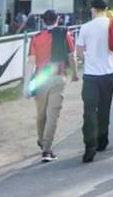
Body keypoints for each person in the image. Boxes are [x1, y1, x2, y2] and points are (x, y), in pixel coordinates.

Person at [27, 9, 79, 162]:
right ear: (58, 19)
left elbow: (31, 62)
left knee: (41, 113)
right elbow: (71, 55)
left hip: (40, 78)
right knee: (53, 114)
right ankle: (47, 149)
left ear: (42, 21)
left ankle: (41, 139)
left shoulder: (35, 37)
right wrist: (74, 74)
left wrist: (27, 84)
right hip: (57, 75)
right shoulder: (64, 33)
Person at [76, 0, 113, 163]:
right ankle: (103, 140)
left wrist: (87, 59)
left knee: (89, 111)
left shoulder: (86, 27)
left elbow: (80, 51)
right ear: (107, 8)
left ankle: (90, 145)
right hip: (109, 72)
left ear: (93, 9)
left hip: (91, 74)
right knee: (104, 108)